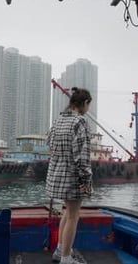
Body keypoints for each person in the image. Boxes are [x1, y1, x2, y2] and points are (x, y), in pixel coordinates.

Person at [46, 87, 93, 264]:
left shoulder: (59, 119)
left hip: (56, 174)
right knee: (73, 215)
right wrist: (86, 180)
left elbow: (49, 143)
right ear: (85, 103)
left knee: (67, 212)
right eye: (89, 105)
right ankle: (66, 259)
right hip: (73, 177)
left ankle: (60, 250)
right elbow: (82, 155)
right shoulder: (80, 122)